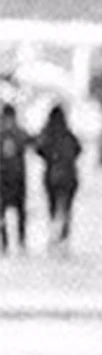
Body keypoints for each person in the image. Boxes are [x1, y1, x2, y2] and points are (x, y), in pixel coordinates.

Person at [34, 104, 83, 253]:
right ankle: (64, 237)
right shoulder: (69, 135)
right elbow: (78, 150)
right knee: (66, 208)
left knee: (53, 206)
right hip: (69, 176)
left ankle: (54, 234)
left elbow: (38, 149)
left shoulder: (47, 134)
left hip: (52, 176)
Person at [0, 102, 30, 254]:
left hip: (5, 179)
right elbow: (34, 143)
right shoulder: (20, 133)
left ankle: (6, 243)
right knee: (19, 212)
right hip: (16, 178)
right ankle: (19, 242)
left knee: (5, 211)